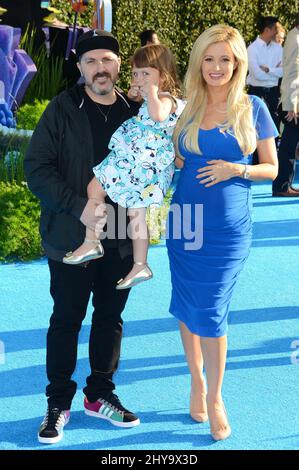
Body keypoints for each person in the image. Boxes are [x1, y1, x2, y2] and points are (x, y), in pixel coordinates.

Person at [24, 29, 142, 445]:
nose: (100, 68)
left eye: (107, 60)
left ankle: (100, 393)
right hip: (71, 237)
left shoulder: (137, 112)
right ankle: (58, 401)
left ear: (117, 65)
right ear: (80, 68)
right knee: (67, 320)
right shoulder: (61, 109)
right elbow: (36, 169)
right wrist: (78, 206)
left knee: (110, 319)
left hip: (123, 237)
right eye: (91, 61)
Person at [166, 24, 278, 441]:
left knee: (212, 311)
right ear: (199, 63)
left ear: (237, 63)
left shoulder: (253, 107)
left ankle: (215, 397)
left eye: (225, 59)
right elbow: (173, 159)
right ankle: (195, 381)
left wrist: (238, 169)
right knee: (186, 303)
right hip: (185, 221)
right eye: (209, 59)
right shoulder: (186, 106)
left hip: (228, 230)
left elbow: (273, 169)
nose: (216, 67)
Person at [63, 44, 184, 290]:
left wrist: (150, 92)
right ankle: (133, 261)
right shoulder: (153, 98)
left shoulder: (168, 100)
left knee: (102, 191)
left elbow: (159, 116)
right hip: (131, 159)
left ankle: (102, 245)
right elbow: (141, 106)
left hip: (141, 163)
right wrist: (138, 93)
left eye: (146, 73)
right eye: (136, 73)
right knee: (121, 205)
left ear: (164, 74)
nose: (139, 78)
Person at [272, 12, 299, 197]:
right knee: (289, 144)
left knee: (290, 143)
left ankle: (283, 184)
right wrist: (292, 104)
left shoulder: (294, 37)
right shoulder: (295, 39)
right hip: (294, 102)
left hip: (294, 99)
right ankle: (282, 185)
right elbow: (292, 73)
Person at [247, 16, 282, 130]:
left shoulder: (279, 49)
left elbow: (283, 72)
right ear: (267, 30)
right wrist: (274, 73)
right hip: (256, 93)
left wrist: (268, 70)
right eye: (275, 29)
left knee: (273, 126)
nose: (277, 32)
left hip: (273, 94)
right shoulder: (252, 49)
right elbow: (256, 74)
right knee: (254, 127)